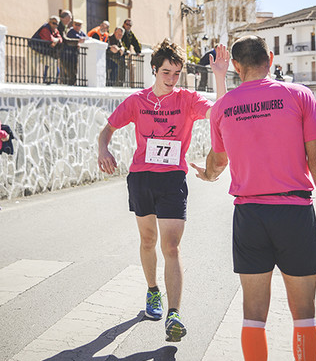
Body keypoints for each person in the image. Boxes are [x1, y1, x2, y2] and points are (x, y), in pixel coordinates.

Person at [191, 35, 316, 361]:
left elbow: (218, 160)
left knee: (253, 315)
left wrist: (207, 174)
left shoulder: (222, 106)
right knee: (303, 314)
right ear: (270, 59)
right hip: (293, 212)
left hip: (249, 215)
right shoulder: (299, 96)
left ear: (237, 67)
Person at [97, 39, 230, 342]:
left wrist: (220, 76)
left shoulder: (186, 100)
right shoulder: (136, 101)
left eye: (176, 74)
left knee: (171, 247)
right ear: (154, 70)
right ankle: (152, 291)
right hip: (142, 178)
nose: (171, 80)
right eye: (166, 73)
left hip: (172, 179)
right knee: (148, 240)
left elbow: (220, 112)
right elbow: (107, 129)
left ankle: (174, 314)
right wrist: (103, 148)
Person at [31, 16, 64, 84]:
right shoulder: (45, 28)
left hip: (44, 52)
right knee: (32, 68)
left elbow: (60, 39)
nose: (55, 25)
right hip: (34, 51)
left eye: (57, 24)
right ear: (49, 22)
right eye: (53, 23)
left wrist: (56, 40)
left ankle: (50, 82)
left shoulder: (55, 30)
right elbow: (49, 39)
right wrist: (55, 40)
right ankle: (31, 83)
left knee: (53, 63)